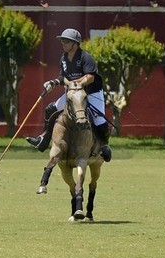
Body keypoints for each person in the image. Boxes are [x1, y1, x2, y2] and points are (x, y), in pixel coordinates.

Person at [25, 28, 112, 192]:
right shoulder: (64, 58)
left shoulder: (85, 57)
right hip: (73, 93)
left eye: (66, 41)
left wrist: (76, 83)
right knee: (51, 109)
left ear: (75, 43)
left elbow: (90, 77)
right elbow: (62, 77)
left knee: (99, 119)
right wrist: (53, 82)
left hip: (91, 92)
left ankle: (104, 146)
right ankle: (44, 139)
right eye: (62, 41)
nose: (63, 44)